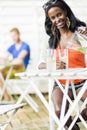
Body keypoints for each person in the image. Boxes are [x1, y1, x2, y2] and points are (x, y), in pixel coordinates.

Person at [39, 0, 87, 129]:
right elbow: (40, 64)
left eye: (59, 14)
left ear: (65, 12)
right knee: (58, 111)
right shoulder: (50, 41)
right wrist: (53, 65)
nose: (57, 19)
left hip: (82, 82)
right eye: (53, 17)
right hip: (61, 83)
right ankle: (72, 126)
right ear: (50, 20)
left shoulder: (81, 34)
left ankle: (76, 121)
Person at [0, 28, 30, 101]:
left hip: (21, 71)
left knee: (19, 61)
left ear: (19, 34)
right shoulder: (12, 47)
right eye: (12, 36)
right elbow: (4, 57)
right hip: (12, 70)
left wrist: (8, 61)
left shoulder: (25, 46)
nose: (13, 38)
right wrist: (4, 60)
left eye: (15, 35)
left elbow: (20, 59)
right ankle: (7, 97)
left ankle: (7, 98)